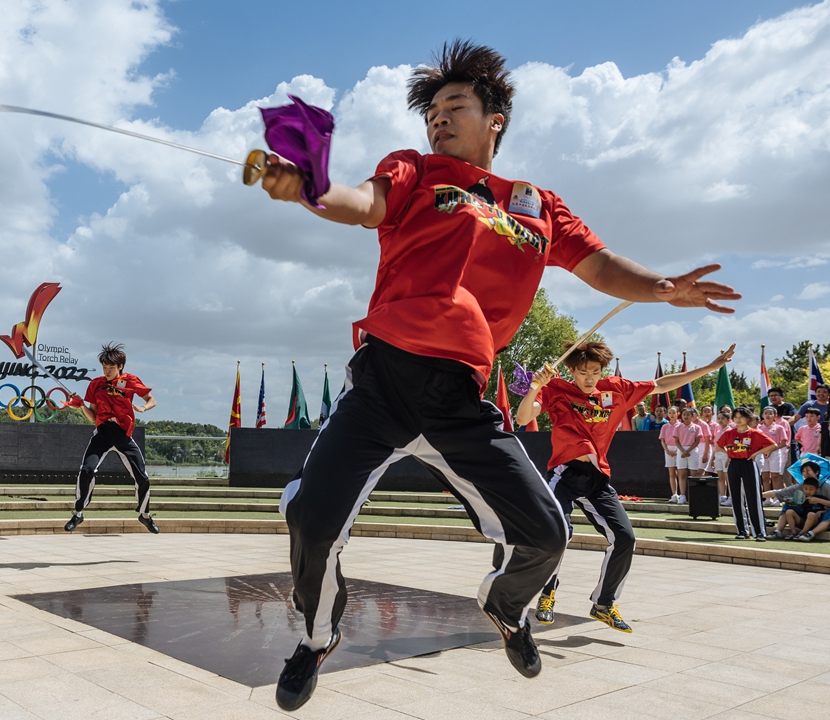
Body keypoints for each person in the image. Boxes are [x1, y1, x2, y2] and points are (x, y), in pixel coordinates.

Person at [259, 40, 739, 709]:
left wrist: (662, 286)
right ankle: (315, 638)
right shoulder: (414, 171)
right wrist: (309, 188)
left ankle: (507, 607)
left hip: (461, 397)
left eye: (455, 107)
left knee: (548, 534)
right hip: (384, 383)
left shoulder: (537, 205)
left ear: (496, 120)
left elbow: (598, 267)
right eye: (432, 114)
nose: (439, 120)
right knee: (313, 524)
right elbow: (362, 203)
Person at [518, 342, 732, 634]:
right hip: (565, 473)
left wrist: (709, 367)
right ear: (571, 371)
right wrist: (534, 386)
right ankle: (547, 593)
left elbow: (660, 384)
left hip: (597, 477)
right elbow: (522, 418)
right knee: (557, 532)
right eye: (582, 372)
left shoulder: (616, 390)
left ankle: (604, 604)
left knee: (625, 538)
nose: (589, 378)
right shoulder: (556, 389)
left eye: (594, 371)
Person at [64, 343, 158, 534]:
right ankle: (78, 512)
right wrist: (80, 405)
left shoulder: (130, 381)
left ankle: (145, 515)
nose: (107, 371)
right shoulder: (95, 384)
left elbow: (151, 400)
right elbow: (93, 416)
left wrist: (142, 408)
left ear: (120, 367)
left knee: (142, 477)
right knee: (86, 469)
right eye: (104, 367)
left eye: (111, 368)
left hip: (123, 435)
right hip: (103, 433)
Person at [717, 407, 779, 541]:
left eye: (741, 416)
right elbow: (718, 445)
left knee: (753, 498)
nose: (738, 419)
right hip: (734, 464)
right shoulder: (729, 433)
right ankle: (742, 530)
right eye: (736, 417)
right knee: (736, 498)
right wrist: (728, 453)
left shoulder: (754, 433)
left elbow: (773, 444)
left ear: (748, 418)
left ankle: (759, 532)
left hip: (749, 463)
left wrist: (756, 453)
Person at [763, 468, 829, 539]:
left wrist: (820, 505)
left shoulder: (825, 488)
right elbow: (779, 492)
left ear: (816, 472)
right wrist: (759, 495)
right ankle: (789, 532)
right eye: (803, 471)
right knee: (789, 508)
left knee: (811, 514)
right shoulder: (801, 491)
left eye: (808, 471)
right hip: (801, 518)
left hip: (816, 520)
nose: (805, 473)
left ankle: (803, 533)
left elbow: (827, 508)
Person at [757, 407, 791, 502]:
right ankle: (767, 498)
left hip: (775, 453)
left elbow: (784, 442)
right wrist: (763, 451)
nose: (768, 415)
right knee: (764, 476)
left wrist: (770, 450)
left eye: (770, 413)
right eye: (766, 413)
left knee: (775, 476)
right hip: (762, 454)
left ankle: (777, 498)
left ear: (775, 416)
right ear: (762, 415)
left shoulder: (779, 428)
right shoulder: (759, 428)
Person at [674, 407, 703, 502]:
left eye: (688, 414)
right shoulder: (678, 427)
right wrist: (683, 451)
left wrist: (688, 451)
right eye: (684, 415)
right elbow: (676, 441)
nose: (686, 416)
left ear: (692, 416)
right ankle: (682, 495)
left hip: (693, 450)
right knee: (681, 474)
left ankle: (693, 495)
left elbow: (697, 441)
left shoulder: (697, 427)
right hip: (681, 450)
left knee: (693, 474)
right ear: (681, 416)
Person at [710, 408, 734, 505]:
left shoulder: (730, 431)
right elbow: (716, 446)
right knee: (720, 477)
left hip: (726, 454)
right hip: (718, 455)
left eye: (723, 418)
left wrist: (729, 456)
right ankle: (722, 495)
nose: (720, 420)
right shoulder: (718, 431)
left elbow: (731, 446)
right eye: (719, 418)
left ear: (728, 420)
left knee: (727, 476)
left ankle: (731, 497)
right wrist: (713, 459)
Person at [660, 406, 683, 503]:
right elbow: (662, 440)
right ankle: (674, 494)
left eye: (674, 412)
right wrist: (667, 451)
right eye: (669, 413)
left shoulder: (681, 425)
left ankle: (682, 495)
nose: (671, 415)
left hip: (680, 449)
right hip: (668, 449)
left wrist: (679, 450)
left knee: (681, 473)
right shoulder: (665, 426)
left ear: (678, 413)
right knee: (672, 473)